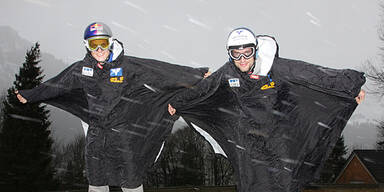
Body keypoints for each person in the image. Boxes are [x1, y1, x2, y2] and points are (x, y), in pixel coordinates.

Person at [15, 22, 210, 192]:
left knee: (131, 181)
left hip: (124, 137)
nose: (99, 49)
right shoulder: (81, 69)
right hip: (96, 137)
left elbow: (160, 71)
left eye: (103, 43)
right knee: (97, 182)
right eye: (94, 44)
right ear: (87, 46)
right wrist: (30, 95)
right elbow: (57, 84)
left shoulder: (127, 66)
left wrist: (196, 75)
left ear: (110, 42)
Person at [168, 27, 365, 192]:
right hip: (249, 141)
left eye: (247, 52)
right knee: (251, 185)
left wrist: (351, 86)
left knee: (283, 184)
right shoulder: (229, 73)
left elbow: (314, 75)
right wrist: (177, 103)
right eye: (236, 54)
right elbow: (205, 87)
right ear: (230, 55)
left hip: (278, 138)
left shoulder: (276, 68)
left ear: (255, 50)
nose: (243, 59)